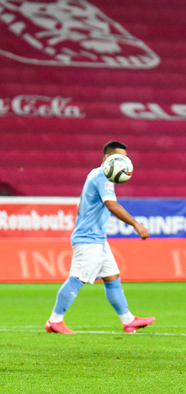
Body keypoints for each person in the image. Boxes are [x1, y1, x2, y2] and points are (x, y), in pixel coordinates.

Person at [45, 141, 155, 335]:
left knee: (112, 277)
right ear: (107, 159)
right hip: (88, 239)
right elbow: (112, 206)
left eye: (126, 158)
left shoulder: (100, 175)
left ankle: (128, 320)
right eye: (119, 158)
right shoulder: (102, 175)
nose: (124, 162)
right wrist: (136, 225)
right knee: (77, 278)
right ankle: (55, 320)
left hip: (97, 239)